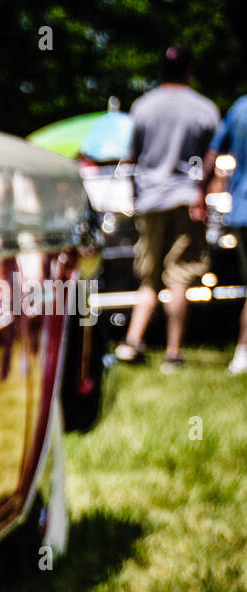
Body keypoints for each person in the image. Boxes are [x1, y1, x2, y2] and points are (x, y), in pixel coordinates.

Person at [114, 47, 220, 373]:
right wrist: (201, 192)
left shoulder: (143, 107)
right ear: (189, 70)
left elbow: (132, 158)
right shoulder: (204, 108)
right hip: (188, 198)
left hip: (150, 199)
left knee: (149, 276)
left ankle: (132, 341)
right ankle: (173, 354)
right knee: (179, 276)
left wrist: (133, 197)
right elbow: (212, 157)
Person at [210, 94, 247, 374]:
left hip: (242, 207)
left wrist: (202, 190)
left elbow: (214, 152)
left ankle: (243, 352)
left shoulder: (239, 107)